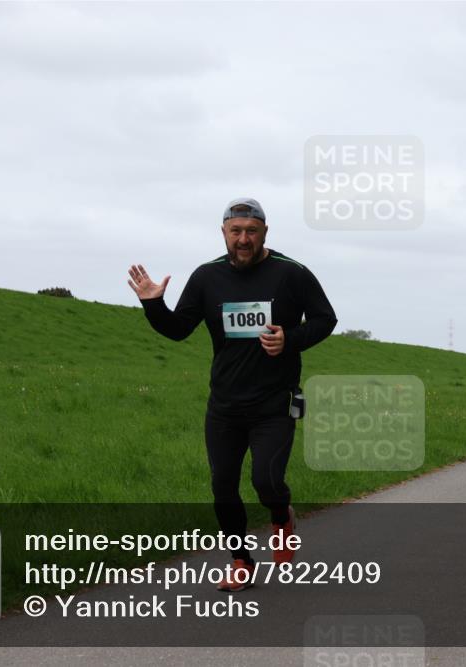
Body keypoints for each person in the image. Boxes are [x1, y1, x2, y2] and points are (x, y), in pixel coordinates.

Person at [128, 197, 337, 592]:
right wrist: (153, 304)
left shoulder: (292, 274)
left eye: (251, 231)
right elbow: (177, 329)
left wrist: (289, 340)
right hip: (224, 405)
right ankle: (241, 560)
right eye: (236, 231)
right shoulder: (207, 277)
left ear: (265, 233)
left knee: (266, 480)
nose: (243, 239)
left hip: (274, 402)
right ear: (224, 232)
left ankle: (282, 516)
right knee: (222, 487)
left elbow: (326, 319)